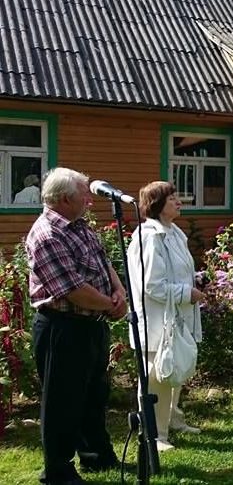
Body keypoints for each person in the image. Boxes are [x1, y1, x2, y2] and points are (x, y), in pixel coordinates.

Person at [26, 167, 127, 483]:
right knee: (63, 402)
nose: (90, 200)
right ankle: (57, 470)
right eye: (84, 194)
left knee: (94, 395)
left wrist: (119, 290)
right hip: (63, 327)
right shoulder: (47, 234)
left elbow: (103, 261)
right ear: (64, 198)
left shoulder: (79, 226)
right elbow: (72, 290)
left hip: (92, 324)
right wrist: (112, 305)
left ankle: (96, 456)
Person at [127, 181, 204, 452]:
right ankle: (155, 435)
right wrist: (187, 293)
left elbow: (176, 272)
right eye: (172, 198)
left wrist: (194, 281)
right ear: (157, 204)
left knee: (174, 367)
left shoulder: (172, 232)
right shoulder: (149, 236)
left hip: (176, 317)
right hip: (156, 319)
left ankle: (173, 419)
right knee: (156, 375)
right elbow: (152, 286)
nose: (179, 201)